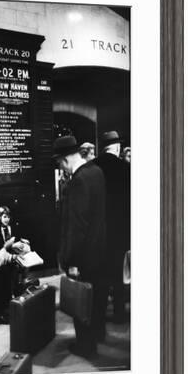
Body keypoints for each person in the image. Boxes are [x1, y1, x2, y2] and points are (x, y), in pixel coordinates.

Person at [53, 135, 107, 357]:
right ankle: (96, 335)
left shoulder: (78, 181)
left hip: (83, 255)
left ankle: (86, 346)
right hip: (99, 250)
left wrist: (71, 261)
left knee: (81, 301)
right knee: (95, 299)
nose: (61, 169)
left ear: (65, 160)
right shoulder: (97, 172)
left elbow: (76, 227)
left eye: (59, 164)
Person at [94, 131, 131, 323]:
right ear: (117, 148)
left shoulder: (93, 167)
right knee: (118, 274)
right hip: (119, 231)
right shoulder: (126, 169)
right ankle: (118, 312)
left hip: (98, 232)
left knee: (99, 276)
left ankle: (98, 317)